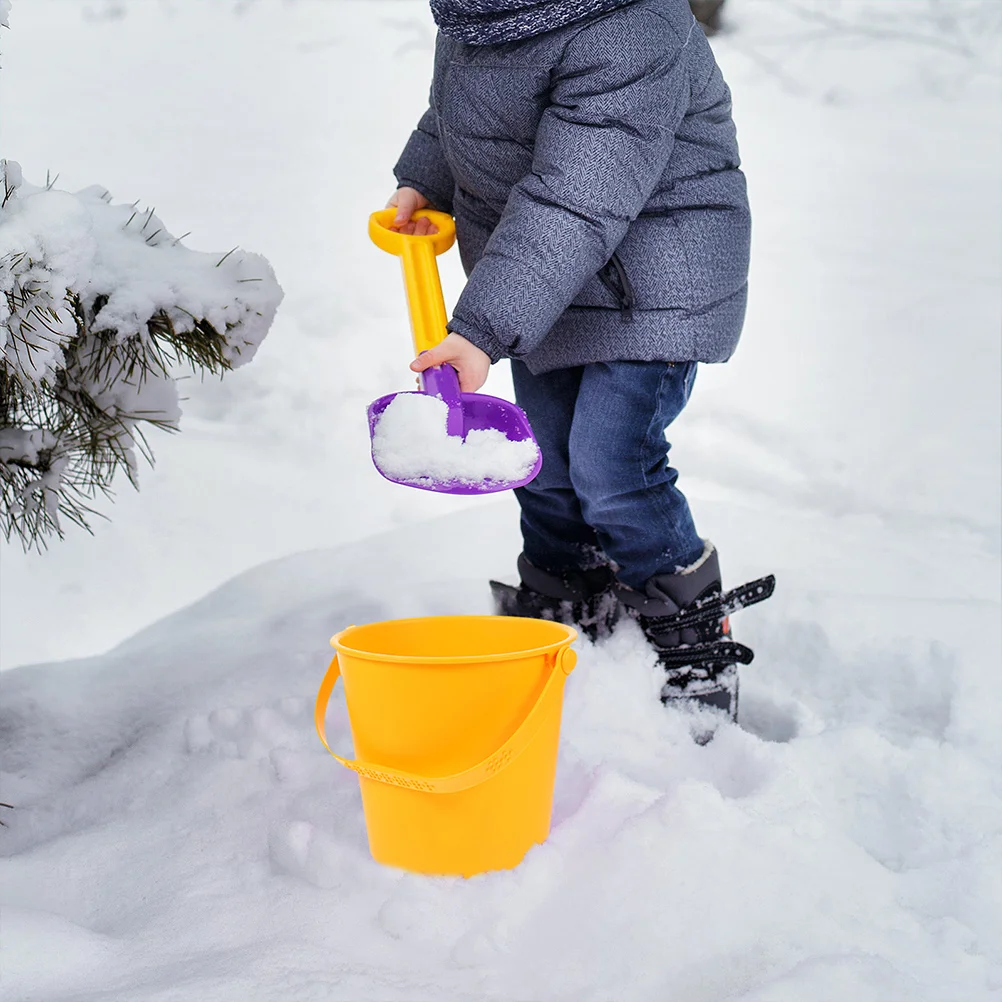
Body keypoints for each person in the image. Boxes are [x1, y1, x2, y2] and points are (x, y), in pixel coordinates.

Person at [387, 0, 773, 720]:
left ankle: (690, 633)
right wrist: (425, 178)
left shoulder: (629, 27)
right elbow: (463, 112)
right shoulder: (483, 14)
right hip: (550, 278)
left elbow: (576, 195)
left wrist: (483, 328)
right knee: (546, 461)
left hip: (653, 277)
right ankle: (565, 597)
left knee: (611, 463)